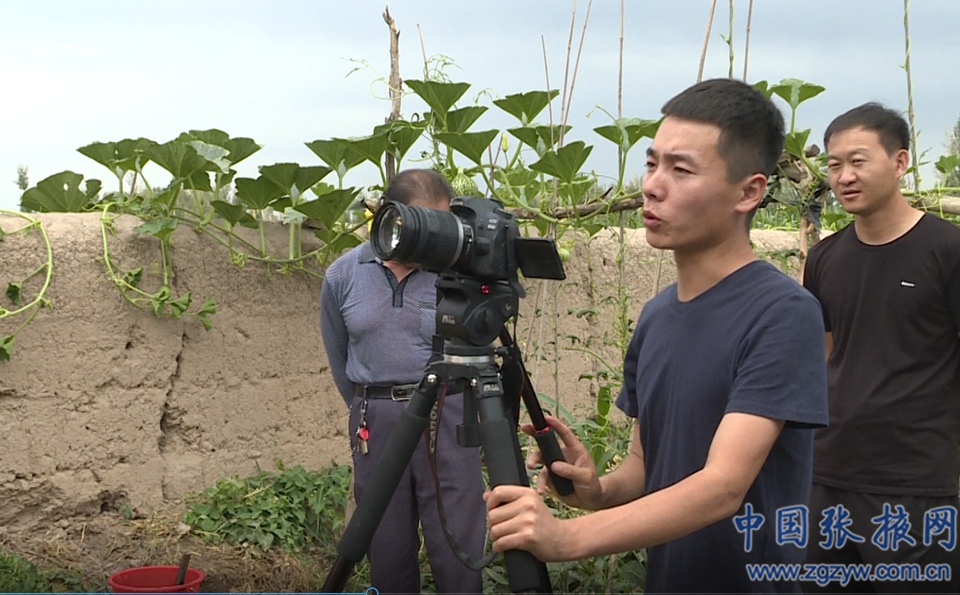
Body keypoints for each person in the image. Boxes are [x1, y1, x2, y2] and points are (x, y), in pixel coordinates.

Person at [483, 78, 830, 593]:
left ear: (749, 191)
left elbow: (721, 487)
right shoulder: (657, 316)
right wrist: (598, 491)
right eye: (651, 163)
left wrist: (569, 538)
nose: (652, 185)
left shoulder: (782, 313)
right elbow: (647, 469)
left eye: (680, 168)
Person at [801, 103, 960, 593]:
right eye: (833, 165)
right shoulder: (824, 259)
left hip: (914, 485)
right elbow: (825, 357)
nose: (844, 176)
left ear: (899, 161)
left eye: (859, 160)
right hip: (827, 477)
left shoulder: (946, 251)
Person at [320, 169, 487, 594]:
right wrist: (371, 406)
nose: (435, 239)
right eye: (424, 227)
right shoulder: (343, 276)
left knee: (457, 546)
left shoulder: (457, 273)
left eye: (442, 227)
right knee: (386, 548)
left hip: (447, 416)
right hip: (375, 419)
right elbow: (340, 357)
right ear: (391, 219)